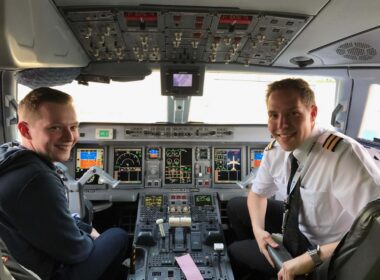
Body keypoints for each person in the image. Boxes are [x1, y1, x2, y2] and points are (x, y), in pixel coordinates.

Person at [227, 78, 380, 280]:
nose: (282, 125)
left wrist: (313, 257)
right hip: (300, 227)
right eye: (274, 115)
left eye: (293, 114)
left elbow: (373, 235)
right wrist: (258, 232)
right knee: (235, 206)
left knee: (234, 252)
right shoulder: (276, 149)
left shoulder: (343, 156)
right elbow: (256, 194)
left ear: (313, 113)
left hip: (332, 251)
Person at [0, 87, 129, 280]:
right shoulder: (36, 179)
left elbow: (56, 220)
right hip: (45, 274)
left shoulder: (10, 158)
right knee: (118, 236)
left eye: (73, 127)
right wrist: (91, 236)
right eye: (55, 128)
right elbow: (76, 251)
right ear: (25, 130)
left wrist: (85, 230)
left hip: (26, 260)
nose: (70, 137)